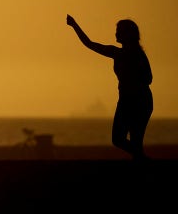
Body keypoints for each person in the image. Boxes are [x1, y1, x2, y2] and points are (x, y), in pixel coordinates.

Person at [66, 14, 153, 161]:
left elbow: (148, 78)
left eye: (119, 30)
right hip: (125, 101)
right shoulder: (116, 53)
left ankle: (142, 161)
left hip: (140, 101)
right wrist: (74, 25)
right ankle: (142, 157)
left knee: (135, 141)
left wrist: (131, 81)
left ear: (127, 34)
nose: (116, 33)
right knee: (118, 139)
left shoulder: (138, 55)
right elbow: (90, 44)